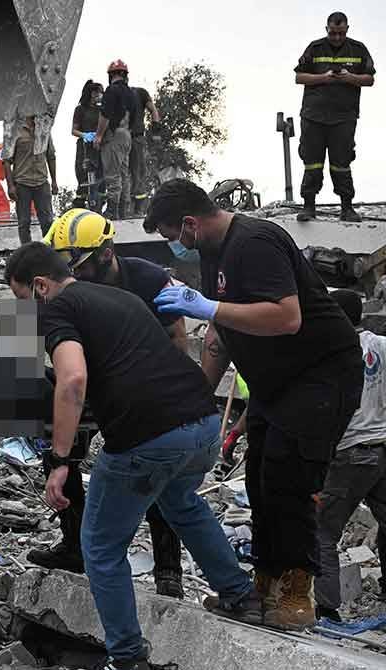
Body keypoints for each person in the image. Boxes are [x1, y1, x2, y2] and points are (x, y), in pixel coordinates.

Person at [6, 242, 261, 670]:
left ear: (39, 286)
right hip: (201, 425)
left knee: (101, 546)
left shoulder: (56, 309)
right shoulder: (119, 296)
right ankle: (240, 595)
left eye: (22, 300)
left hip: (148, 438)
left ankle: (126, 657)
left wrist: (60, 460)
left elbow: (72, 381)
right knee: (182, 502)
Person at [147, 178, 364, 631]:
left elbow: (286, 317)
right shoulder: (212, 252)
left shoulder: (255, 242)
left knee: (288, 476)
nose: (174, 246)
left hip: (319, 374)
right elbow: (220, 333)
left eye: (171, 235)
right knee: (261, 478)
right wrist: (196, 396)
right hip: (275, 381)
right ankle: (264, 583)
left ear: (190, 224)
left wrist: (208, 308)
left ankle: (295, 588)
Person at [30, 209, 186, 598]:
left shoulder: (146, 279)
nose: (74, 276)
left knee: (156, 475)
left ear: (106, 252)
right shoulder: (63, 291)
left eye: (78, 266)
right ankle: (74, 547)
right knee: (60, 457)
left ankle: (168, 570)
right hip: (91, 391)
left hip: (140, 393)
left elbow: (176, 338)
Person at [315, 289, 386, 622]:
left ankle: (327, 608)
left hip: (350, 452)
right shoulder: (382, 345)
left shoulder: (334, 351)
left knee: (324, 532)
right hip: (382, 448)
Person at [293, 11, 375, 223]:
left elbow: (369, 79)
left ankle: (347, 208)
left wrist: (350, 77)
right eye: (332, 33)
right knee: (312, 163)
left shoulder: (358, 49)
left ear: (347, 29)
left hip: (344, 117)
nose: (336, 37)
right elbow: (299, 77)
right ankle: (308, 206)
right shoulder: (315, 47)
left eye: (340, 33)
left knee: (342, 162)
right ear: (326, 29)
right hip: (313, 116)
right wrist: (323, 77)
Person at [95, 61, 137, 220]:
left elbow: (105, 115)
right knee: (123, 173)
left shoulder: (111, 91)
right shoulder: (131, 93)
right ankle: (124, 210)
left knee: (112, 174)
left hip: (114, 135)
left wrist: (99, 135)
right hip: (127, 135)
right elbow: (135, 117)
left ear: (110, 75)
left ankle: (112, 211)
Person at [5, 116, 57, 244]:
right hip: (22, 183)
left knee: (47, 221)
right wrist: (10, 186)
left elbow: (51, 156)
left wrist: (54, 181)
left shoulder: (44, 130)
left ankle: (51, 251)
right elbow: (6, 161)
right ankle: (27, 252)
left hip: (42, 182)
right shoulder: (14, 131)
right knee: (24, 222)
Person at [127, 82, 161, 216]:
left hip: (136, 137)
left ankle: (139, 209)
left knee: (138, 172)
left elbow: (153, 110)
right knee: (121, 173)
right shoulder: (115, 93)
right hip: (119, 139)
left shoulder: (140, 92)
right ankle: (124, 207)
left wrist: (156, 131)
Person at [71, 80, 105, 211]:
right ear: (92, 93)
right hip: (84, 147)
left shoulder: (102, 109)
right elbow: (73, 130)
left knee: (101, 178)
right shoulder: (80, 109)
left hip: (99, 146)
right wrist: (85, 135)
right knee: (83, 177)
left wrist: (99, 136)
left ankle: (98, 207)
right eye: (99, 92)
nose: (101, 95)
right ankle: (80, 206)